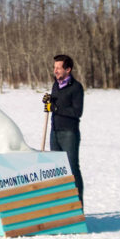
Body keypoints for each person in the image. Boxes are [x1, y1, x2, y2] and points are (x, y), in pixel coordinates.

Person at [45, 53, 85, 206]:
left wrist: (56, 107)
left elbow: (77, 111)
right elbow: (55, 106)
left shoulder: (76, 87)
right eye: (54, 67)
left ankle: (77, 206)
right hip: (54, 132)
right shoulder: (56, 85)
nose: (55, 70)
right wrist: (49, 102)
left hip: (69, 133)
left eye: (59, 68)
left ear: (68, 69)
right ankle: (61, 207)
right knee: (57, 170)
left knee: (72, 168)